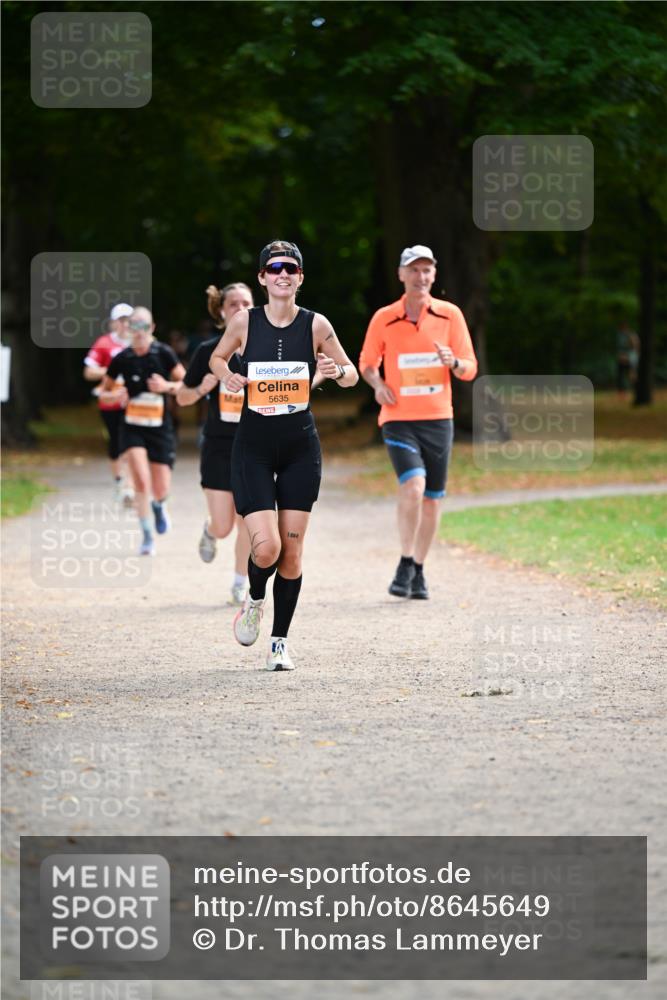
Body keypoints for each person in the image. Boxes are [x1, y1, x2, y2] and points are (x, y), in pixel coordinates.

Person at [210, 240, 358, 671]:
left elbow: (350, 374)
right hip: (252, 447)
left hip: (299, 448)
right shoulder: (243, 321)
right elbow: (218, 359)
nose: (282, 274)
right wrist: (229, 377)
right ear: (262, 278)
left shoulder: (316, 325)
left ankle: (279, 643)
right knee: (267, 548)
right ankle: (254, 598)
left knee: (292, 553)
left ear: (300, 278)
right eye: (274, 268)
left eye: (290, 268)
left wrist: (336, 372)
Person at [359, 245, 478, 600]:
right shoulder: (384, 317)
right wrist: (378, 385)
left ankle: (419, 570)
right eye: (413, 270)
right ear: (401, 274)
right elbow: (367, 362)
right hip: (398, 418)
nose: (420, 277)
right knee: (413, 486)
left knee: (433, 499)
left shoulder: (450, 316)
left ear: (434, 275)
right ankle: (405, 560)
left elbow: (470, 368)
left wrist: (453, 362)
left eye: (427, 270)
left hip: (439, 419)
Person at [176, 283, 254, 606]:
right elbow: (181, 397)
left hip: (255, 445)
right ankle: (210, 530)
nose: (239, 308)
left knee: (249, 519)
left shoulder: (266, 346)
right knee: (224, 526)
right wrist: (202, 387)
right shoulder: (208, 350)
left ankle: (239, 582)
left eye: (245, 302)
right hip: (219, 447)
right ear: (221, 311)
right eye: (233, 303)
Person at [101, 307, 185, 556]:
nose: (138, 331)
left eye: (144, 326)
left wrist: (166, 385)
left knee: (160, 488)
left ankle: (159, 506)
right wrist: (114, 395)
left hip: (159, 427)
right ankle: (147, 534)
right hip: (132, 426)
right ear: (127, 328)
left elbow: (187, 384)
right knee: (140, 480)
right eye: (134, 326)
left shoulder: (164, 353)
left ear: (152, 328)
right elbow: (102, 393)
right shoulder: (122, 358)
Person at [83, 302, 134, 504]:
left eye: (128, 320)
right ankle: (119, 479)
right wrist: (111, 371)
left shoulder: (138, 343)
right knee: (116, 442)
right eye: (121, 321)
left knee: (131, 440)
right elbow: (88, 372)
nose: (125, 325)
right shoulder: (104, 343)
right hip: (110, 402)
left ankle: (129, 485)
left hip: (132, 401)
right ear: (113, 323)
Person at [616, 320, 640, 398]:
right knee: (621, 374)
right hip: (622, 357)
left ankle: (635, 389)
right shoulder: (619, 335)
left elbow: (634, 346)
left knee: (632, 374)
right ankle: (622, 392)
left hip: (631, 357)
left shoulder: (631, 335)